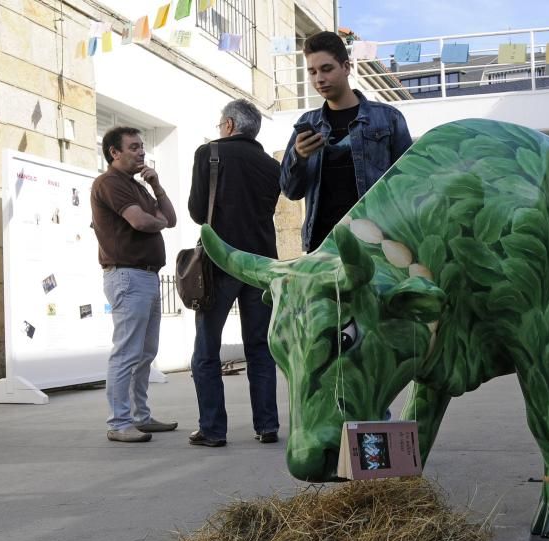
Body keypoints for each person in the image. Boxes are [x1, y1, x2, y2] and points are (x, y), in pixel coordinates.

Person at [187, 99, 282, 448]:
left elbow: (198, 211)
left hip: (220, 262)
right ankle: (267, 425)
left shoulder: (209, 153)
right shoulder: (272, 166)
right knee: (260, 347)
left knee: (206, 349)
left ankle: (212, 429)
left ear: (228, 125)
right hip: (261, 266)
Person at [280, 30, 412, 253]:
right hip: (321, 247)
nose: (319, 79)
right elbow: (290, 191)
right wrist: (299, 157)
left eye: (326, 69)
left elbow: (408, 185)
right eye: (312, 72)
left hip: (376, 244)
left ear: (346, 67)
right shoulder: (307, 122)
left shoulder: (388, 119)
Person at [91, 127, 178, 442]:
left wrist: (156, 186)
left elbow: (170, 217)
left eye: (142, 146)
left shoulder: (137, 186)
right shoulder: (110, 183)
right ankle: (119, 422)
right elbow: (141, 222)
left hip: (147, 276)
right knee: (127, 352)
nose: (142, 152)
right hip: (127, 275)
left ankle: (140, 416)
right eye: (134, 147)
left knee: (145, 352)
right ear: (115, 152)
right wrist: (158, 222)